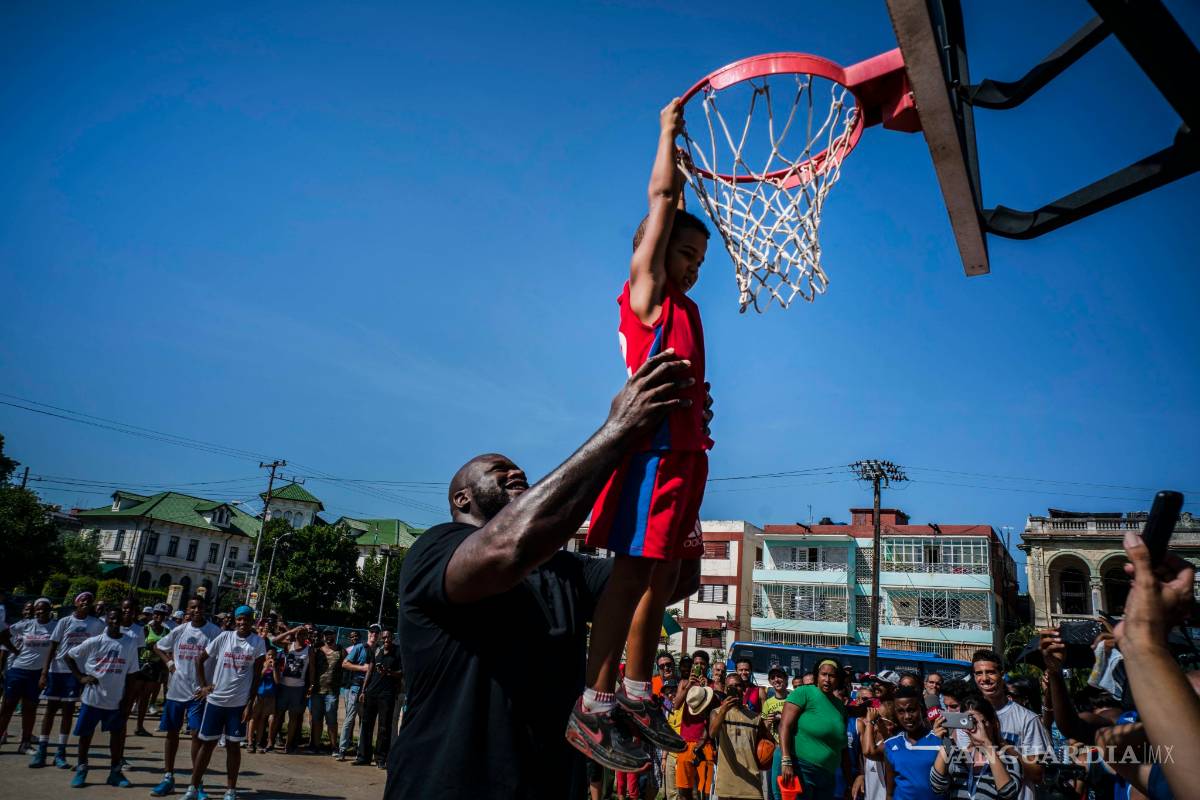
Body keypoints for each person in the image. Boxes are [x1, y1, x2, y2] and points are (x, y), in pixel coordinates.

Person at [386, 344, 701, 800]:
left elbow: (669, 580)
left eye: (520, 471)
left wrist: (679, 459)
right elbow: (509, 547)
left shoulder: (565, 569)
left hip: (550, 785)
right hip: (447, 784)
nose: (517, 474)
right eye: (499, 471)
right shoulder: (435, 551)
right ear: (462, 499)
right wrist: (619, 430)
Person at [569, 97, 712, 773]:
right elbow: (661, 197)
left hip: (687, 453)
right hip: (651, 451)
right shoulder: (646, 296)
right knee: (632, 571)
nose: (692, 266)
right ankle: (592, 706)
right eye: (683, 252)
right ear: (650, 251)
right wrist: (666, 134)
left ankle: (634, 690)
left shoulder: (686, 307)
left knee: (668, 571)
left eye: (699, 259)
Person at [189, 605, 266, 800]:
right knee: (207, 744)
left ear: (252, 621)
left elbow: (257, 675)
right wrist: (204, 686)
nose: (242, 622)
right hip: (215, 701)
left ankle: (230, 790)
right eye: (239, 619)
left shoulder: (257, 642)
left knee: (233, 747)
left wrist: (250, 703)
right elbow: (200, 659)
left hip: (238, 704)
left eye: (246, 619)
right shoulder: (224, 637)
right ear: (234, 620)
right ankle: (193, 788)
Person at [150, 596, 222, 797]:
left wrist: (211, 685)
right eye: (192, 607)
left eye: (200, 607)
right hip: (175, 691)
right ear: (187, 610)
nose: (196, 610)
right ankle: (168, 777)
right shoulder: (180, 630)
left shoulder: (214, 632)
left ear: (205, 609)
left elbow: (220, 658)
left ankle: (196, 783)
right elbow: (158, 646)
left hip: (198, 693)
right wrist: (169, 663)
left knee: (197, 736)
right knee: (171, 733)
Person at [63, 607, 141, 788]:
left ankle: (115, 773)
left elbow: (132, 675)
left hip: (115, 700)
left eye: (118, 619)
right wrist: (81, 677)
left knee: (117, 736)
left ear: (122, 621)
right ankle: (82, 769)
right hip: (92, 698)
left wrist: (127, 700)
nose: (115, 622)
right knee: (85, 735)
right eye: (112, 618)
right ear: (107, 619)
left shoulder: (130, 643)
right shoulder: (95, 641)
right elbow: (68, 656)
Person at [969, 649, 1049, 800]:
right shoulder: (967, 717)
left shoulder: (1028, 719)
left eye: (990, 672)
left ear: (1002, 674)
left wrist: (1002, 744)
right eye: (979, 673)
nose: (984, 678)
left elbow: (1037, 774)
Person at [37, 591, 105, 768]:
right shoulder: (65, 621)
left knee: (67, 712)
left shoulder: (96, 624)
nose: (86, 602)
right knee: (50, 711)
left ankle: (61, 751)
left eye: (89, 600)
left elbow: (99, 648)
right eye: (82, 599)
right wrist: (44, 672)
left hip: (77, 673)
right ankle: (42, 749)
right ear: (76, 602)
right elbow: (53, 646)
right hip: (57, 670)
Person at [778, 659, 856, 800]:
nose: (827, 679)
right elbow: (784, 726)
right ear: (817, 676)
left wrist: (849, 784)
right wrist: (786, 761)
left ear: (837, 679)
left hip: (828, 776)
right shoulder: (804, 692)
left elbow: (843, 749)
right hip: (801, 769)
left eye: (831, 676)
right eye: (823, 674)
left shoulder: (840, 707)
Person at [929, 691, 1023, 800]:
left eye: (980, 722)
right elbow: (937, 787)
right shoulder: (957, 758)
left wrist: (987, 746)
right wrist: (946, 742)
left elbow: (1009, 793)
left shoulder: (1010, 760)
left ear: (993, 723)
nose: (975, 727)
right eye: (970, 722)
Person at [0, 598, 54, 758]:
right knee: (7, 707)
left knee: (30, 708)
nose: (39, 612)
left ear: (50, 610)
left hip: (37, 673)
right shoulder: (26, 624)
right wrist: (15, 651)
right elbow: (3, 636)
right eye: (37, 609)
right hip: (18, 670)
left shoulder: (55, 626)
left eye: (43, 609)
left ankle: (25, 743)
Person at [708, 673, 771, 800]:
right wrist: (724, 710)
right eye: (731, 686)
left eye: (738, 685)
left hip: (752, 782)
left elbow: (767, 741)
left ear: (744, 689)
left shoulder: (755, 717)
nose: (735, 688)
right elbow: (712, 733)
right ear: (726, 690)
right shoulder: (716, 712)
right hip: (727, 783)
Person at [875, 687, 940, 800]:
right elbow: (890, 793)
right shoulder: (890, 745)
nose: (907, 717)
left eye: (911, 710)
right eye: (901, 711)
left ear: (921, 709)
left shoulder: (939, 740)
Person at [355, 629, 401, 768]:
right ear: (381, 638)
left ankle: (381, 759)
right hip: (371, 692)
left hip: (387, 695)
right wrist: (364, 690)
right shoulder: (376, 650)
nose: (386, 640)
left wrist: (389, 672)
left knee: (384, 727)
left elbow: (401, 673)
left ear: (392, 638)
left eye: (389, 638)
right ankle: (364, 757)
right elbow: (370, 669)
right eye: (384, 638)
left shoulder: (398, 652)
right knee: (366, 724)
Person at [271, 626, 314, 753]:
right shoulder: (288, 646)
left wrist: (311, 685)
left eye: (304, 634)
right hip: (283, 686)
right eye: (299, 633)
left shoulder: (309, 650)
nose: (301, 636)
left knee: (293, 717)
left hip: (298, 688)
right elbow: (274, 641)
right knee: (278, 715)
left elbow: (311, 669)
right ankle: (270, 742)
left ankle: (288, 745)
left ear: (307, 636)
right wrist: (290, 631)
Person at [674, 681, 718, 800]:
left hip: (706, 745)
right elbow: (675, 705)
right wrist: (688, 686)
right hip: (686, 743)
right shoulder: (685, 685)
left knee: (705, 791)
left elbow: (713, 720)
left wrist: (703, 740)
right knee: (683, 789)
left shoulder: (713, 690)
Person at [133, 603, 171, 736]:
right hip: (142, 665)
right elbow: (138, 647)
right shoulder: (145, 628)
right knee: (133, 695)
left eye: (162, 614)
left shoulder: (167, 632)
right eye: (156, 613)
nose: (158, 616)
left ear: (165, 616)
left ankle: (139, 726)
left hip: (156, 667)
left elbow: (168, 650)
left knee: (145, 697)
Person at [337, 626, 372, 761]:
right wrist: (362, 668)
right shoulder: (356, 649)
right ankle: (342, 749)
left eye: (356, 636)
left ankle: (360, 750)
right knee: (349, 718)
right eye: (352, 636)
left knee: (363, 720)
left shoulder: (372, 649)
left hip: (367, 689)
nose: (354, 638)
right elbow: (344, 664)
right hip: (354, 687)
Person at [308, 628, 342, 752]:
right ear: (323, 636)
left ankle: (334, 747)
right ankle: (316, 746)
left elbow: (347, 664)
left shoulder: (340, 650)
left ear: (335, 635)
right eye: (326, 634)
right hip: (317, 690)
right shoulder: (318, 650)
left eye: (331, 634)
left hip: (332, 692)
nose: (328, 637)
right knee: (316, 720)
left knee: (331, 720)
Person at [763, 667, 790, 800]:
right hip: (773, 750)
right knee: (772, 790)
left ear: (786, 679)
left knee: (788, 787)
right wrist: (768, 722)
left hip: (790, 750)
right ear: (769, 681)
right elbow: (763, 729)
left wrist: (782, 717)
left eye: (779, 676)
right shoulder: (768, 703)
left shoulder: (793, 699)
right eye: (773, 678)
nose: (776, 680)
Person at [246, 639, 278, 753]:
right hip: (258, 695)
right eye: (269, 654)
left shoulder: (276, 666)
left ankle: (259, 742)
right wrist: (265, 669)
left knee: (262, 720)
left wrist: (274, 669)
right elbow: (257, 678)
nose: (271, 657)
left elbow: (277, 681)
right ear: (265, 655)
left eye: (273, 655)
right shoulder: (260, 665)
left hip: (270, 696)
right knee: (254, 718)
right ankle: (250, 741)